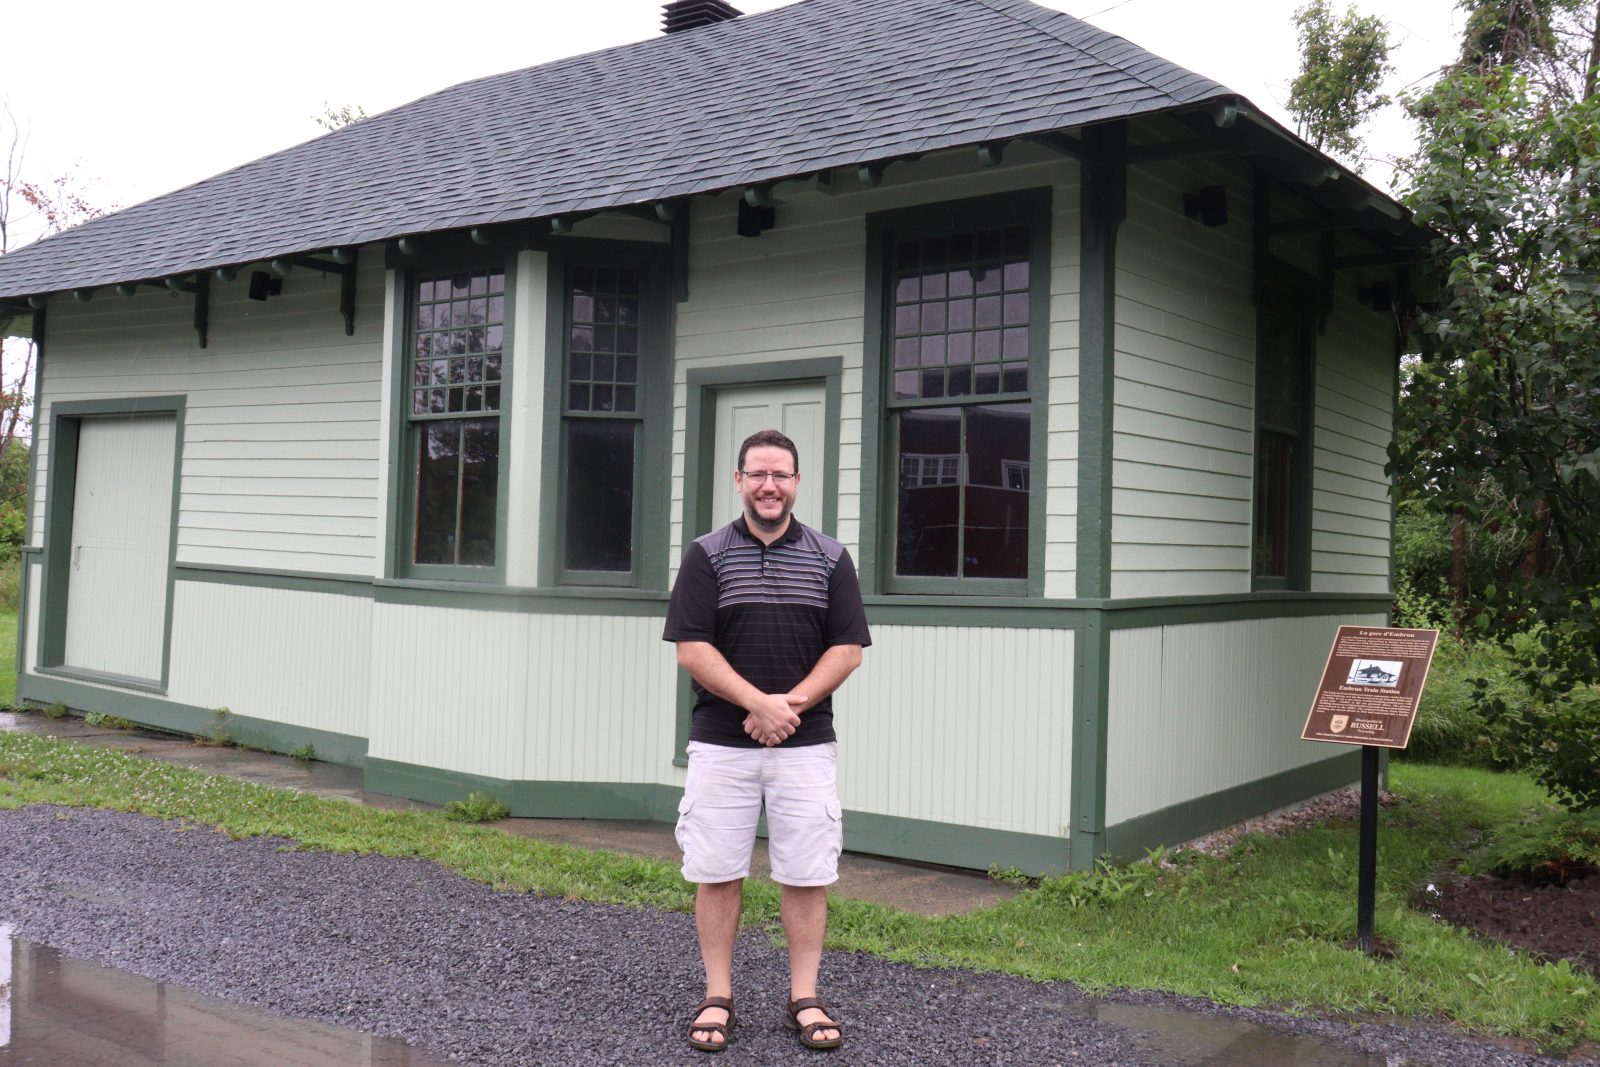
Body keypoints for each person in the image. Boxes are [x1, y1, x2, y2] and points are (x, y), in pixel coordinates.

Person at [663, 428, 871, 1053]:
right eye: (758, 474)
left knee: (806, 874)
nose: (769, 485)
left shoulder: (831, 557)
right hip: (723, 744)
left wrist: (788, 709)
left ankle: (804, 997)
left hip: (805, 747)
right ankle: (717, 995)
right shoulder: (706, 554)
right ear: (739, 480)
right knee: (717, 871)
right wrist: (757, 704)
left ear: (797, 483)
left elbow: (848, 649)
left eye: (780, 475)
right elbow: (691, 648)